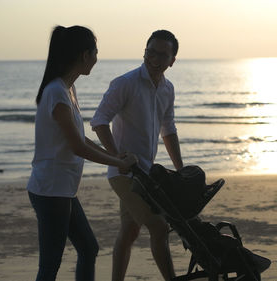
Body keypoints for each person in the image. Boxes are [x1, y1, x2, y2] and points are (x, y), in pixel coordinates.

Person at [26, 25, 137, 281]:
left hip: (62, 190)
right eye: (95, 52)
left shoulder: (67, 89)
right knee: (50, 266)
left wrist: (115, 157)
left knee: (88, 247)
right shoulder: (56, 92)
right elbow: (77, 147)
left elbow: (79, 139)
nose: (97, 58)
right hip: (50, 190)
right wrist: (116, 162)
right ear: (84, 55)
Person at [90, 30, 183, 281]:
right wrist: (117, 158)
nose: (153, 57)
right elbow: (99, 121)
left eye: (162, 54)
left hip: (146, 173)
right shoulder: (125, 83)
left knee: (129, 231)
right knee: (159, 226)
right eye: (150, 51)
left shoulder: (167, 89)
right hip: (123, 175)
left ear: (172, 60)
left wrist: (181, 170)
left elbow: (169, 129)